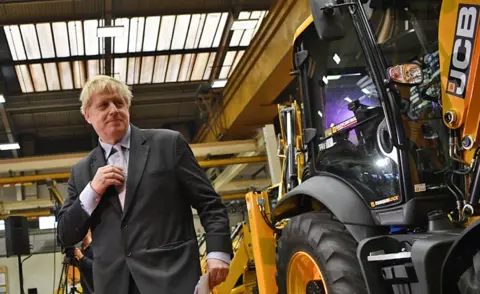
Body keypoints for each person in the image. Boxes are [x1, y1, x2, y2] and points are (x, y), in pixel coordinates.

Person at [57, 75, 233, 294]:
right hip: (114, 285)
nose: (113, 110)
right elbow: (66, 234)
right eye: (103, 105)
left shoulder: (168, 144)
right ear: (87, 115)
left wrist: (218, 253)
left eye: (119, 103)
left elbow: (210, 204)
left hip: (172, 279)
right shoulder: (81, 172)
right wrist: (93, 190)